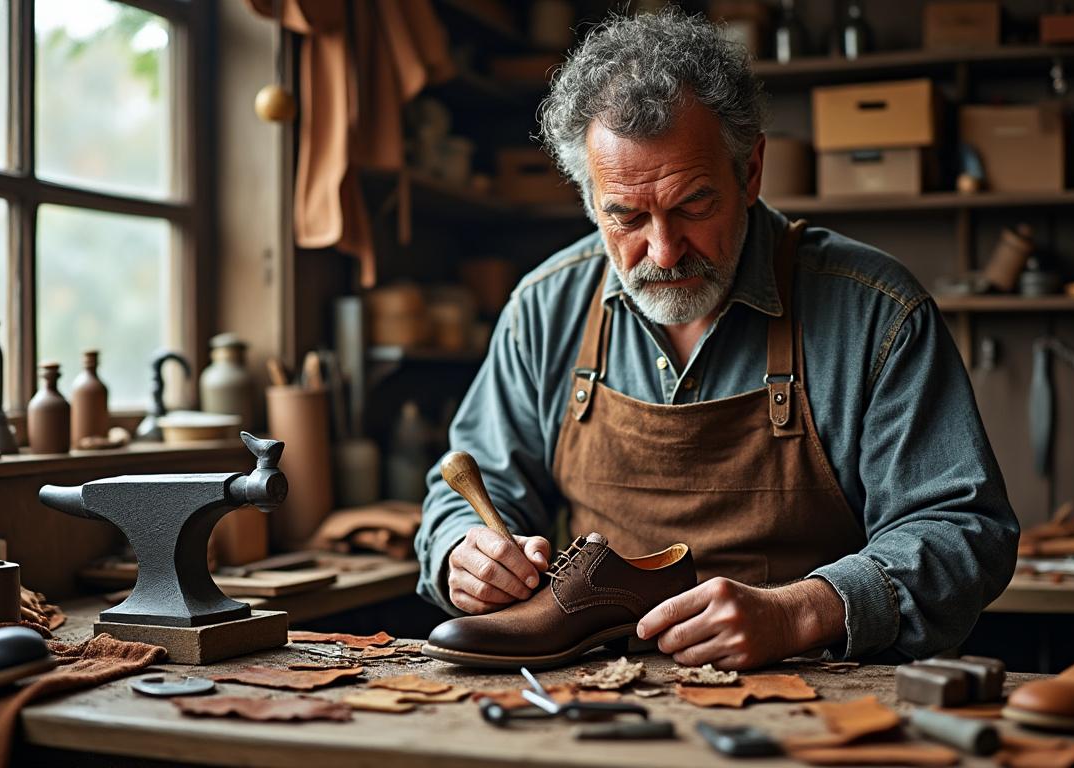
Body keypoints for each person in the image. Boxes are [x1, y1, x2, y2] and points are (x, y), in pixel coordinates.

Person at [415, 9, 1019, 670]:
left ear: (750, 169)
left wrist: (801, 612)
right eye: (627, 216)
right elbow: (468, 492)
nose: (665, 251)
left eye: (693, 205)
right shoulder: (545, 308)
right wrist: (464, 550)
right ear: (591, 202)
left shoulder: (874, 309)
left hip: (821, 688)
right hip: (606, 690)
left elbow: (962, 529)